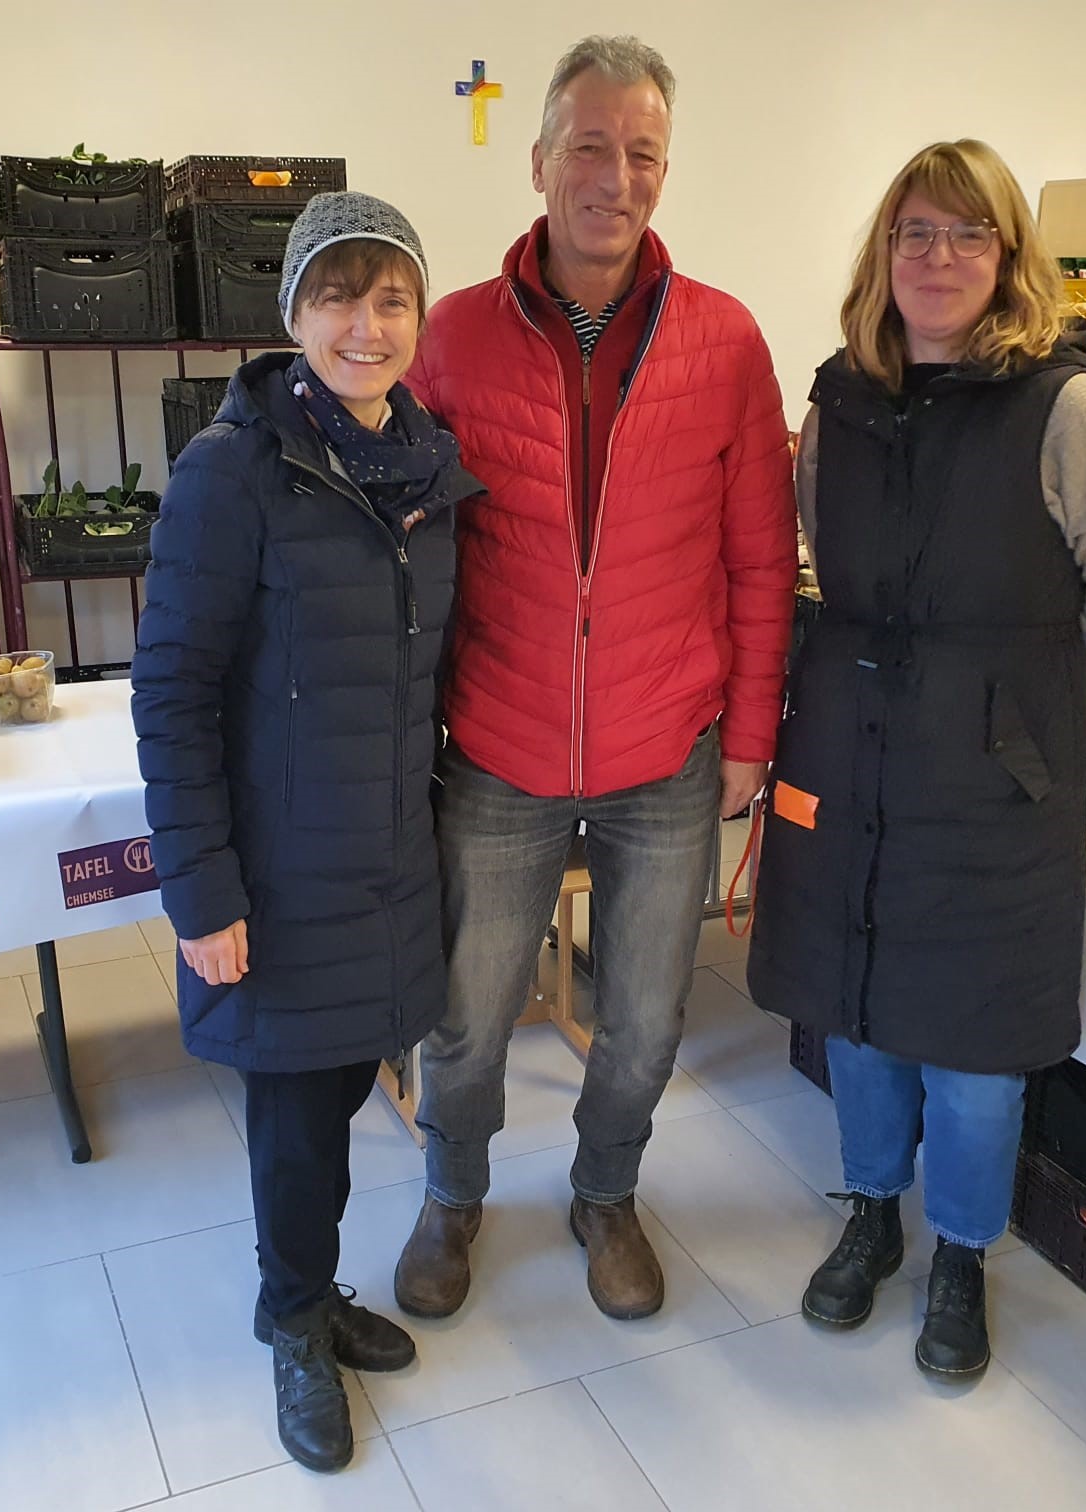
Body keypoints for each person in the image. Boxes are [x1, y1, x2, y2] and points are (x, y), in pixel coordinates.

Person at [394, 34, 798, 1322]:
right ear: (539, 161)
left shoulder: (726, 341)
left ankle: (606, 1193)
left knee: (645, 1017)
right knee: (467, 1013)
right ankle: (452, 1194)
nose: (613, 178)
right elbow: (412, 551)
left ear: (664, 173)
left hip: (667, 746)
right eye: (588, 147)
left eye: (641, 154)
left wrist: (750, 734)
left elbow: (758, 557)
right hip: (499, 740)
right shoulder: (452, 337)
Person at [745, 139, 1086, 1379]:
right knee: (862, 1011)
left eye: (967, 233)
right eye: (915, 233)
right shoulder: (837, 407)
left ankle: (963, 1253)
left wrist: (1017, 720)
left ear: (1008, 255)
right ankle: (873, 1211)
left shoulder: (1066, 409)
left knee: (977, 1049)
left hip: (992, 789)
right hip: (854, 756)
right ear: (885, 253)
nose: (938, 257)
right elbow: (818, 556)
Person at [131, 192, 481, 1473]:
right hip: (276, 875)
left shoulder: (428, 470)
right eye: (338, 297)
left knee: (337, 1095)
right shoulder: (234, 471)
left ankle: (309, 1291)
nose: (366, 325)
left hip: (386, 860)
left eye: (392, 299)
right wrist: (201, 890)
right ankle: (292, 1321)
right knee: (293, 1123)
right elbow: (171, 692)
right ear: (293, 313)